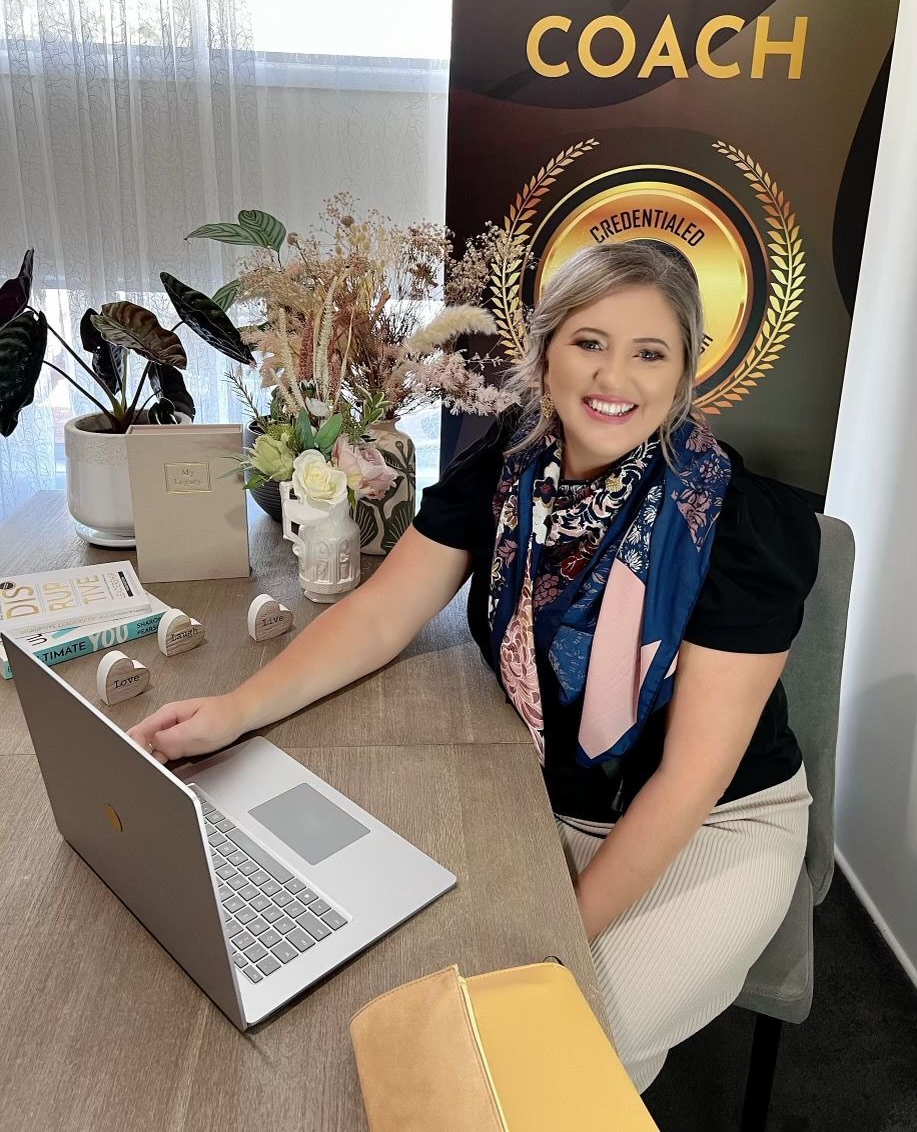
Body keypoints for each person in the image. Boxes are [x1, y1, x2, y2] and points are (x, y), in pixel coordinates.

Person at [129, 241, 820, 1092]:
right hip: (535, 791)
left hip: (710, 824)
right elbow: (383, 612)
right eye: (589, 342)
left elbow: (686, 782)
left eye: (650, 353)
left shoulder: (739, 523)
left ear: (682, 374)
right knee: (378, 1008)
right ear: (545, 351)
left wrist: (556, 932)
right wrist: (237, 708)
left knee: (554, 1055)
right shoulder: (508, 468)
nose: (616, 377)